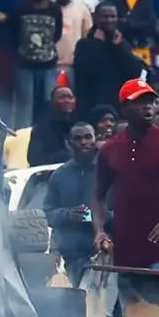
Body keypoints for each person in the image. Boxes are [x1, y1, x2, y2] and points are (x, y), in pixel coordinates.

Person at [91, 78, 159, 298]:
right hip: (125, 253)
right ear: (125, 107)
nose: (147, 106)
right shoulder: (110, 149)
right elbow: (98, 195)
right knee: (131, 315)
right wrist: (100, 231)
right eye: (140, 102)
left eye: (151, 101)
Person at [44, 122, 102, 286]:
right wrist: (67, 214)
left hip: (106, 256)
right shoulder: (60, 175)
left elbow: (126, 212)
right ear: (70, 144)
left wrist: (97, 217)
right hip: (72, 259)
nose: (83, 142)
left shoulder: (107, 172)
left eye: (88, 137)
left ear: (95, 139)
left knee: (100, 301)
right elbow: (47, 213)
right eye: (78, 138)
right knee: (76, 300)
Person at [72, 2, 147, 123]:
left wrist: (119, 48)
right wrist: (97, 44)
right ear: (96, 19)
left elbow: (134, 72)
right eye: (105, 17)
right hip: (91, 105)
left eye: (113, 16)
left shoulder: (123, 44)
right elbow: (87, 71)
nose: (109, 20)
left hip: (118, 106)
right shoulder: (84, 44)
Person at [11, 0, 64, 130]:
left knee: (48, 106)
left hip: (48, 66)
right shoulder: (20, 7)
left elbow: (57, 34)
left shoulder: (55, 9)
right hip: (25, 66)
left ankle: (47, 137)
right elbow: (13, 34)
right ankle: (23, 140)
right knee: (24, 110)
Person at [53, 0, 93, 84]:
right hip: (52, 65)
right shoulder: (50, 9)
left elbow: (88, 35)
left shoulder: (82, 9)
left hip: (74, 64)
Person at [28, 86, 79, 166]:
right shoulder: (42, 128)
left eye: (70, 97)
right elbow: (34, 158)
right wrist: (66, 156)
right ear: (52, 102)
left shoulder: (77, 126)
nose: (67, 101)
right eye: (62, 97)